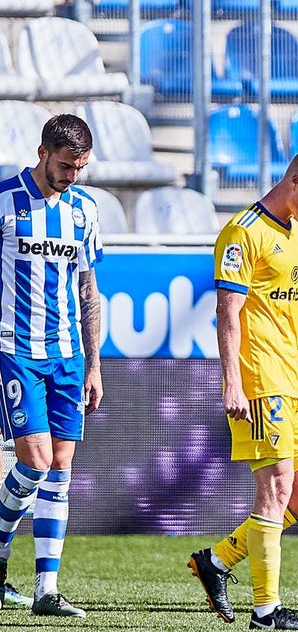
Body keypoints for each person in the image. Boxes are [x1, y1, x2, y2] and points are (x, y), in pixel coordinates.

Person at [188, 144, 298, 631]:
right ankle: (266, 610)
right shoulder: (243, 232)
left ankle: (216, 560)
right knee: (275, 492)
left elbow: (296, 314)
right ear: (295, 180)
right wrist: (232, 382)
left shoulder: (296, 231)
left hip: (295, 382)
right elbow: (227, 313)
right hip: (259, 380)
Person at [0, 114, 103, 617]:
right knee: (35, 462)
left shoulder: (84, 210)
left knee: (60, 466)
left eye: (79, 168)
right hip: (14, 348)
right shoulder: (4, 201)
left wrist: (94, 364)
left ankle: (46, 589)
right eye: (65, 166)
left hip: (67, 354)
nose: (71, 177)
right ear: (43, 152)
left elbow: (89, 290)